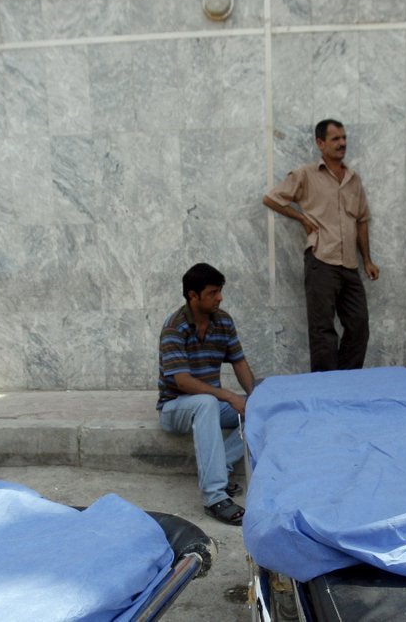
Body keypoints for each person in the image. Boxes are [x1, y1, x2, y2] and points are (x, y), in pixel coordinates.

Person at [263, 119, 380, 372]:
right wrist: (301, 218)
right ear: (320, 143)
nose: (342, 143)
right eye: (335, 139)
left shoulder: (354, 179)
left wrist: (367, 260)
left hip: (350, 264)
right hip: (321, 260)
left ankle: (345, 382)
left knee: (359, 325)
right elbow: (271, 198)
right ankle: (325, 387)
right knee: (322, 330)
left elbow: (362, 221)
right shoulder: (306, 174)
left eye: (344, 138)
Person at [157, 263, 256, 526]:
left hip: (209, 403)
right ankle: (214, 498)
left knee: (258, 408)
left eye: (220, 291)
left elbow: (239, 362)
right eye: (212, 293)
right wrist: (228, 396)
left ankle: (222, 468)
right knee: (207, 402)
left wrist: (254, 397)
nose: (219, 298)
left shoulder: (223, 321)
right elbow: (182, 381)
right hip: (175, 407)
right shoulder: (175, 327)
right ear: (193, 295)